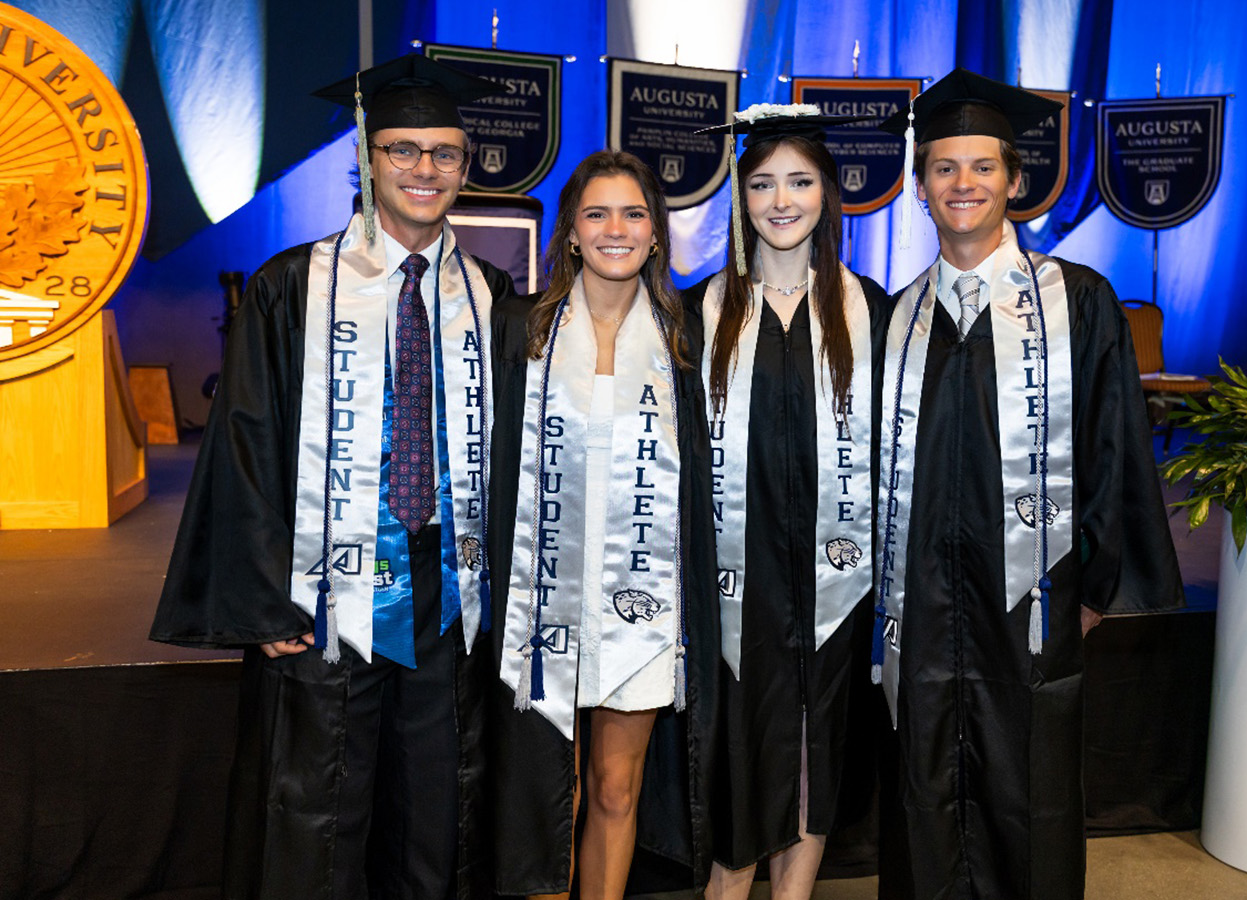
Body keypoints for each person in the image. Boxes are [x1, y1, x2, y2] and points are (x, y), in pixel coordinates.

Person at [149, 54, 514, 900]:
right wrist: (260, 594)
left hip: (448, 593)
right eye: (403, 149)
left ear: (466, 165)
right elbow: (243, 441)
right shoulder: (292, 287)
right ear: (368, 156)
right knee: (320, 802)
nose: (425, 169)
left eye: (444, 152)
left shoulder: (494, 297)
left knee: (437, 801)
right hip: (324, 585)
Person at [872, 69, 1185, 900]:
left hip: (1032, 595)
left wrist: (1093, 576)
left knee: (1030, 782)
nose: (963, 184)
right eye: (943, 167)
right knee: (925, 780)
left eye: (982, 167)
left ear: (1016, 180)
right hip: (927, 604)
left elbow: (1113, 446)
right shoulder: (894, 319)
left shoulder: (1077, 302)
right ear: (920, 187)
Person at [486, 150, 718, 900]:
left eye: (633, 212)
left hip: (640, 606)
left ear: (656, 233)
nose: (615, 228)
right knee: (553, 797)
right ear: (572, 233)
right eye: (597, 213)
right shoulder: (522, 331)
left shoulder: (688, 343)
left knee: (617, 789)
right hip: (544, 597)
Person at [682, 107, 890, 900]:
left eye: (799, 181)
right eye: (762, 183)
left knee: (817, 742)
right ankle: (726, 890)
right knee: (741, 745)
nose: (780, 200)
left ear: (828, 192)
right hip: (737, 576)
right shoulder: (700, 312)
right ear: (740, 197)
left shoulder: (870, 309)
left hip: (836, 575)